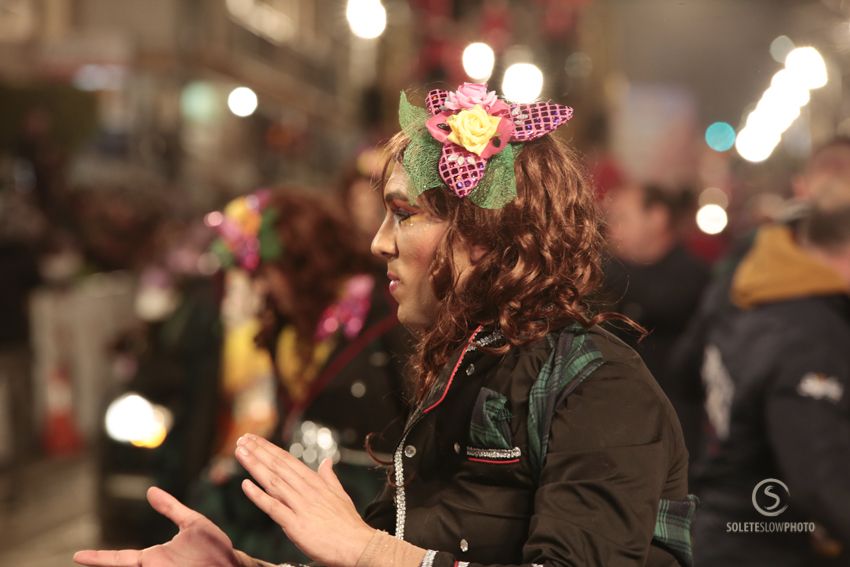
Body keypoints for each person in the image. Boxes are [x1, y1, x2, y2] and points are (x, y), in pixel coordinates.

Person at [75, 82, 696, 567]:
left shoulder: (599, 384)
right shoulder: (457, 372)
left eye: (404, 214)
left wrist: (365, 548)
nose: (377, 243)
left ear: (484, 231)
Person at [191, 189, 412, 562]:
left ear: (301, 262)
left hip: (369, 506)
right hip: (303, 490)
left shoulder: (386, 310)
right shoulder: (285, 325)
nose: (259, 288)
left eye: (264, 272)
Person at [602, 183, 710, 467]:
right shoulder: (614, 273)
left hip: (673, 426)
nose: (613, 228)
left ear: (657, 218)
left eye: (623, 217)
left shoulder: (693, 276)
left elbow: (662, 302)